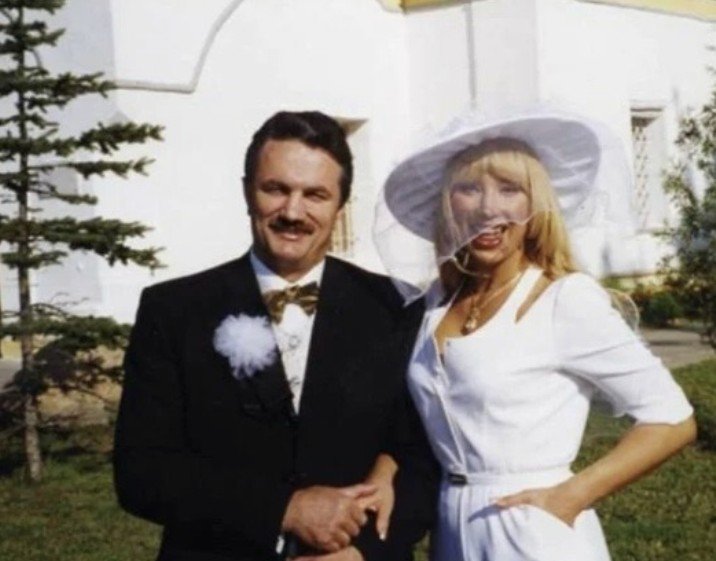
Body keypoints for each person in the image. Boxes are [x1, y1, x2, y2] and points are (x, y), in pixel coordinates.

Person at [373, 108, 697, 561]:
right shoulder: (436, 303)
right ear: (448, 202)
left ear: (535, 205)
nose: (488, 208)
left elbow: (672, 418)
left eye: (510, 189)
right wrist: (386, 470)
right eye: (470, 188)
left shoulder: (564, 299)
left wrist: (571, 496)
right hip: (451, 531)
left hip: (532, 532)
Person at [114, 110, 438, 561]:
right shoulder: (173, 311)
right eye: (276, 189)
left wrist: (362, 553)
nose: (292, 212)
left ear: (341, 204)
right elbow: (142, 472)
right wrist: (285, 509)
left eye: (315, 195)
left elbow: (424, 456)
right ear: (247, 191)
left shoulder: (395, 308)